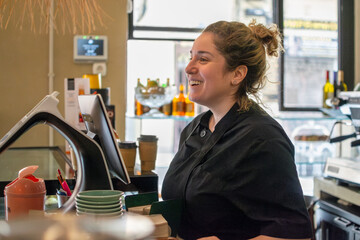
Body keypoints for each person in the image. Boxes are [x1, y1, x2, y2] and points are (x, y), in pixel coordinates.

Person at [161, 20, 312, 240]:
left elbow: (295, 234)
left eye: (202, 59)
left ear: (237, 74)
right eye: (192, 56)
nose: (189, 67)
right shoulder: (196, 128)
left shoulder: (263, 138)